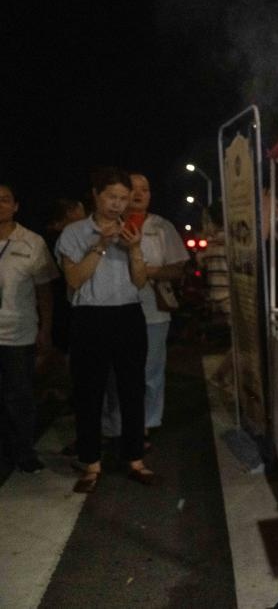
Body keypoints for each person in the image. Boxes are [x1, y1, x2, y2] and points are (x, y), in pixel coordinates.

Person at [55, 167, 157, 492]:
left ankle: (135, 459)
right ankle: (91, 462)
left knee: (131, 389)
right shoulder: (73, 233)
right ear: (96, 195)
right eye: (112, 197)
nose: (117, 204)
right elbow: (73, 280)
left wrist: (135, 249)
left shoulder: (131, 230)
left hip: (128, 315)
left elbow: (140, 282)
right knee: (88, 392)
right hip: (89, 317)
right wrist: (99, 246)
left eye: (123, 199)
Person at [101, 173, 189, 441]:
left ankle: (145, 423)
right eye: (133, 189)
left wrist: (145, 270)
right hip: (113, 308)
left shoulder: (161, 227)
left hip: (152, 311)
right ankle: (113, 426)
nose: (139, 194)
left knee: (149, 371)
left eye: (145, 190)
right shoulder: (108, 225)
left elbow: (177, 268)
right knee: (114, 372)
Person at [0, 183, 59, 473]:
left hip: (18, 333)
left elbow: (45, 292)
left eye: (5, 200)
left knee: (19, 397)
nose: (0, 204)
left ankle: (23, 452)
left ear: (16, 206)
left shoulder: (32, 242)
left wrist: (45, 330)